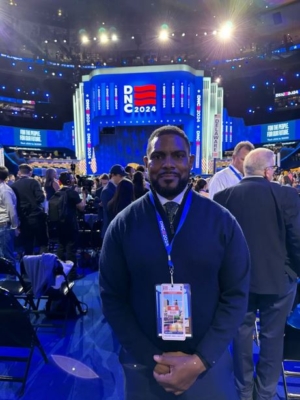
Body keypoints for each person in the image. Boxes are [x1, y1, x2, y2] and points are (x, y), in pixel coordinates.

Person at [100, 125, 250, 400]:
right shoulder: (123, 225)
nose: (168, 163)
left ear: (190, 162)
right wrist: (152, 358)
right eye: (158, 157)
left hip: (207, 366)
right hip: (145, 369)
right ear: (146, 164)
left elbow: (236, 294)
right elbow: (112, 298)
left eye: (178, 155)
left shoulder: (222, 222)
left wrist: (200, 360)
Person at [214, 148, 300, 400]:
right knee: (273, 338)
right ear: (267, 171)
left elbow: (218, 244)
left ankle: (243, 391)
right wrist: (295, 272)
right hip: (279, 282)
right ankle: (264, 395)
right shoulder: (286, 194)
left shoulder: (223, 197)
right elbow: (296, 239)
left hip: (239, 283)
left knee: (240, 335)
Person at [55, 172, 86, 281]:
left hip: (58, 225)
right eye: (72, 178)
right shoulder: (72, 193)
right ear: (69, 181)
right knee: (71, 249)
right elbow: (81, 207)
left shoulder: (57, 193)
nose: (74, 179)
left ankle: (59, 272)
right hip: (70, 225)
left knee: (61, 247)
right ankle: (72, 275)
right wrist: (84, 196)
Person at [12, 164, 48, 255]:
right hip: (37, 217)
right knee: (42, 243)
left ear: (19, 172)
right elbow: (40, 198)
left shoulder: (14, 185)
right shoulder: (34, 182)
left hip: (23, 219)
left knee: (28, 245)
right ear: (30, 172)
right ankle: (43, 264)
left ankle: (28, 266)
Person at [100, 164, 128, 239]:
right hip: (111, 229)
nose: (123, 178)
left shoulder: (118, 188)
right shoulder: (107, 190)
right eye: (121, 176)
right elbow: (110, 211)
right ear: (113, 175)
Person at [0, 166, 19, 265]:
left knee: (6, 256)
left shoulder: (5, 190)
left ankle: (11, 279)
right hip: (2, 226)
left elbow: (11, 209)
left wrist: (15, 226)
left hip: (4, 226)